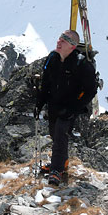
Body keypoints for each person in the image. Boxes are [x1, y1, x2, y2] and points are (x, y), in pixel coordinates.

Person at [34, 30, 97, 185]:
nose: (59, 41)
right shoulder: (52, 58)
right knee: (54, 134)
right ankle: (63, 163)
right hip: (55, 104)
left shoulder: (81, 64)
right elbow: (46, 84)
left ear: (73, 46)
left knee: (61, 132)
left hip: (71, 106)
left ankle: (56, 170)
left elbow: (91, 90)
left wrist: (73, 108)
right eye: (60, 38)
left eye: (65, 40)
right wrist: (39, 103)